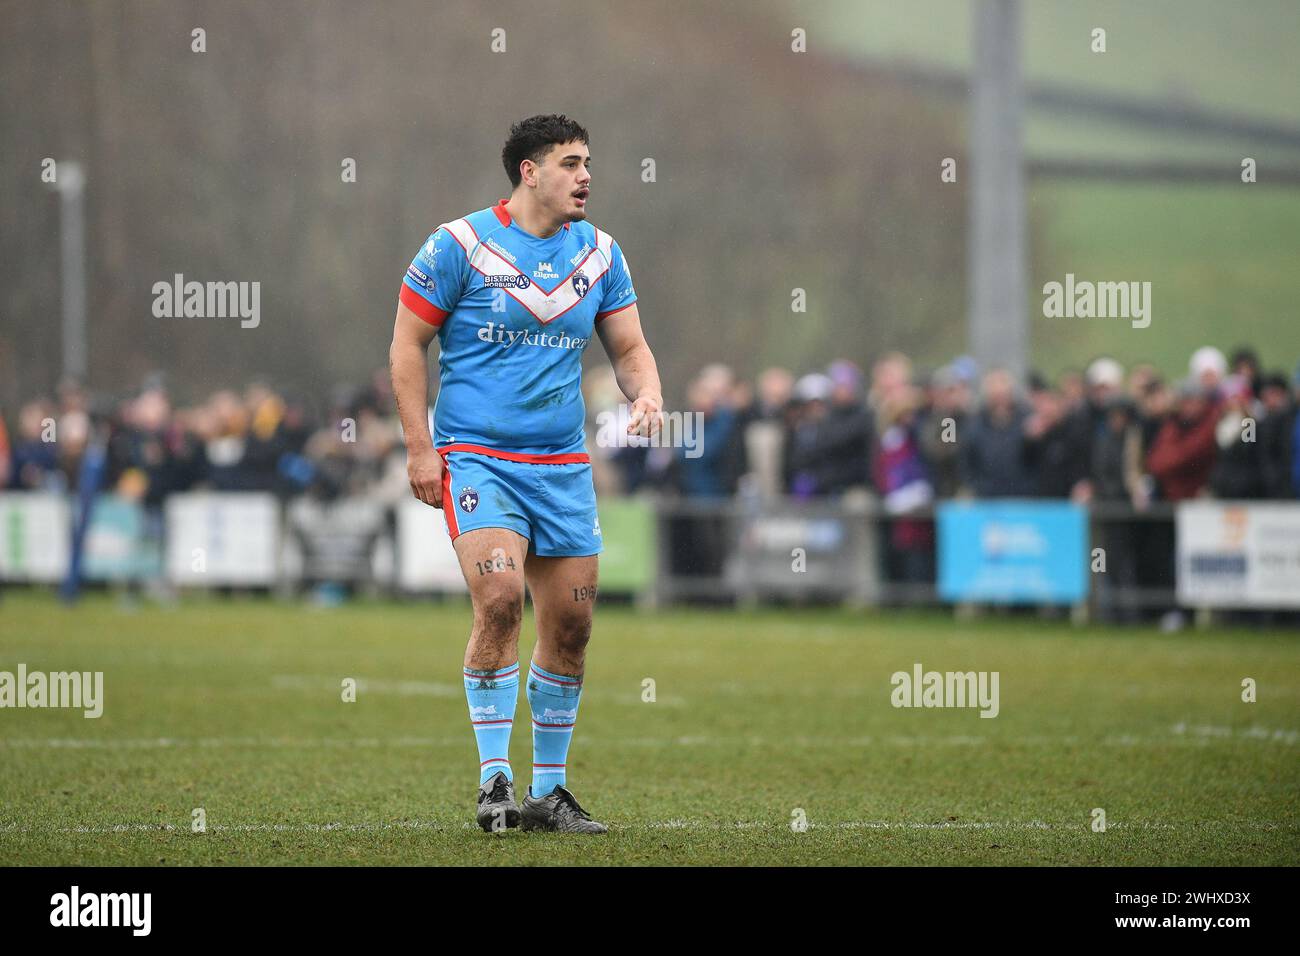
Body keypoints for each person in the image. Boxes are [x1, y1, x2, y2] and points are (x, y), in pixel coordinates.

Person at [388, 115, 662, 834]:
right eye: (571, 163)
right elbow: (408, 345)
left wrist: (650, 394)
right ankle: (494, 783)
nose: (586, 176)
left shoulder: (601, 254)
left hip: (563, 466)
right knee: (502, 597)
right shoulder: (460, 245)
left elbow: (629, 348)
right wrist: (421, 449)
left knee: (571, 624)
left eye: (589, 162)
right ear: (528, 172)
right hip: (478, 457)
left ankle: (550, 793)